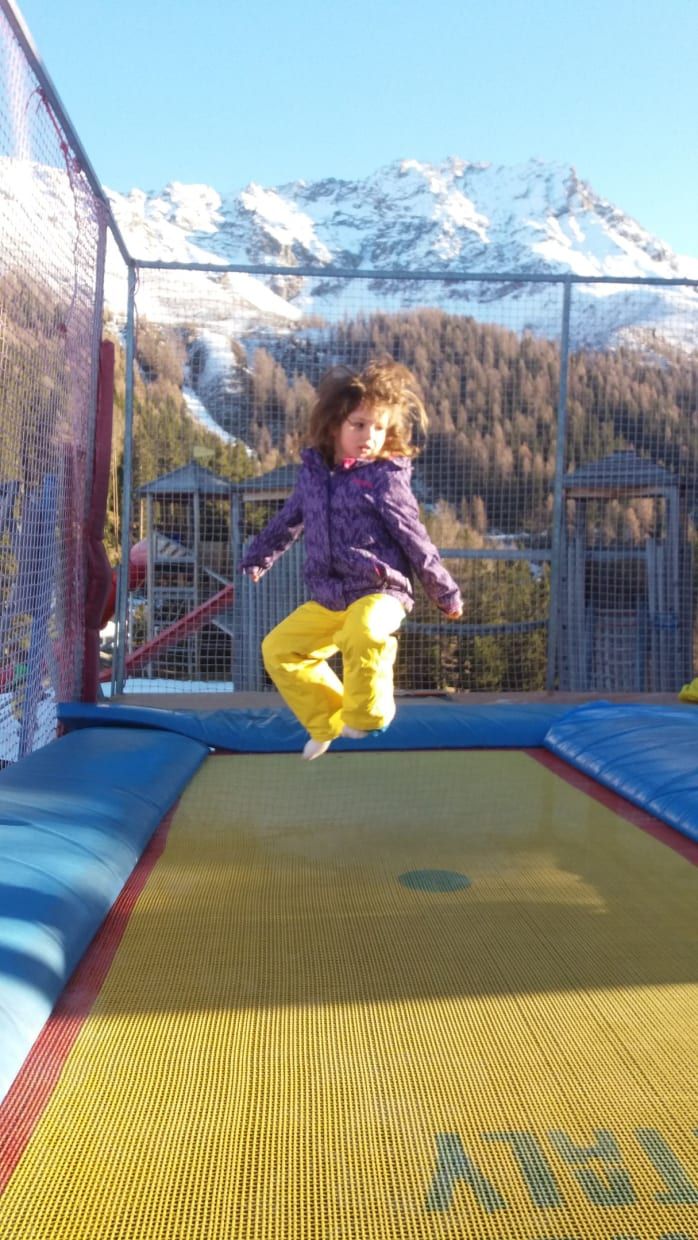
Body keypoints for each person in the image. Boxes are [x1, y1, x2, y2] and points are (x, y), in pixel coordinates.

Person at [241, 357, 463, 759]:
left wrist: (444, 592)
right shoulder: (313, 476)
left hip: (381, 591)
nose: (369, 436)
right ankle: (327, 721)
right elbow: (288, 520)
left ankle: (368, 716)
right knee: (279, 649)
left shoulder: (383, 479)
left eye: (378, 428)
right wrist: (259, 557)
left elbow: (415, 538)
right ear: (334, 427)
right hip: (332, 596)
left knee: (362, 631)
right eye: (358, 425)